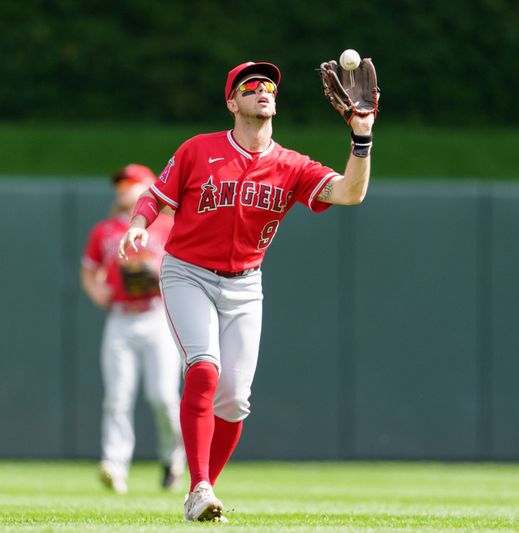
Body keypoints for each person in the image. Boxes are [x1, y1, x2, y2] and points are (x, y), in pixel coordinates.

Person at [119, 61, 375, 521]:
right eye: (251, 85)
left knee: (235, 399)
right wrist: (139, 225)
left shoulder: (290, 164)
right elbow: (156, 195)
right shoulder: (200, 149)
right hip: (188, 272)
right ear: (232, 102)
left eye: (270, 86)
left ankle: (202, 488)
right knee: (203, 368)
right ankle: (197, 487)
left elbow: (349, 192)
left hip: (245, 282)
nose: (263, 90)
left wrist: (361, 136)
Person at [80, 164, 185, 494]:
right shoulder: (105, 230)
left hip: (158, 316)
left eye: (130, 183)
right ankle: (115, 465)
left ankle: (173, 457)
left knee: (164, 397)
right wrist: (97, 290)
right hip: (122, 317)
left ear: (149, 186)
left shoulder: (168, 225)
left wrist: (158, 271)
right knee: (117, 397)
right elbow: (90, 270)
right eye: (120, 184)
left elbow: (187, 266)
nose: (122, 188)